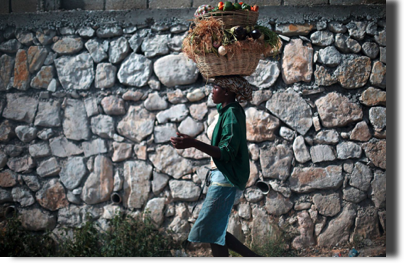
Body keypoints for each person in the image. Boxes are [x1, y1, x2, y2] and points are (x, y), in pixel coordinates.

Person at [170, 76, 261, 257]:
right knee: (213, 230)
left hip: (225, 177)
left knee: (211, 229)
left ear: (227, 92)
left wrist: (193, 143)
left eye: (215, 87)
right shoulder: (225, 110)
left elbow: (226, 152)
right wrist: (188, 140)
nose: (211, 90)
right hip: (218, 175)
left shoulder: (233, 113)